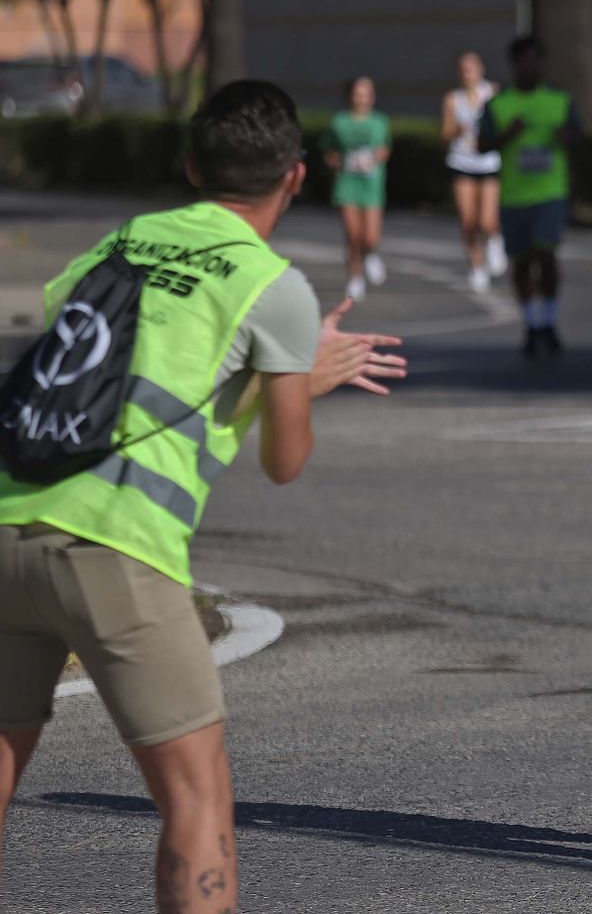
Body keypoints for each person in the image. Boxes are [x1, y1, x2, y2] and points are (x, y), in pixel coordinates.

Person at [0, 80, 406, 913]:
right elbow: (284, 461)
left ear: (191, 165)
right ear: (295, 178)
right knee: (195, 796)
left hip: (8, 515)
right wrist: (303, 377)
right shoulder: (273, 285)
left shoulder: (126, 239)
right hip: (114, 546)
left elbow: (77, 335)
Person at [478, 35, 582, 357]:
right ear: (514, 65)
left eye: (535, 60)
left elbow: (579, 136)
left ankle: (548, 320)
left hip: (550, 193)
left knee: (546, 254)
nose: (529, 67)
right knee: (521, 262)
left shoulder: (559, 101)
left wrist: (565, 137)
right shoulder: (498, 105)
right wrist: (509, 134)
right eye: (523, 61)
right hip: (514, 196)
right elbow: (482, 145)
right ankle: (531, 323)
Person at [441, 50, 508, 294]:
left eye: (471, 68)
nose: (467, 74)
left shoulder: (492, 93)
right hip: (461, 162)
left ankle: (494, 240)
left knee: (487, 220)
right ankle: (477, 266)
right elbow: (444, 135)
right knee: (468, 221)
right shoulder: (453, 99)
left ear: (481, 70)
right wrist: (457, 129)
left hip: (488, 162)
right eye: (462, 69)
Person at [322, 76, 392, 301]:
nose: (362, 98)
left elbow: (385, 149)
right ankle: (355, 276)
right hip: (347, 182)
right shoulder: (339, 122)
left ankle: (371, 254)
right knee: (353, 235)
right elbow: (329, 149)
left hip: (371, 183)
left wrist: (376, 158)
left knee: (370, 237)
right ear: (349, 95)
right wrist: (334, 162)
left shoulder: (380, 121)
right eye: (358, 93)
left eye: (367, 93)